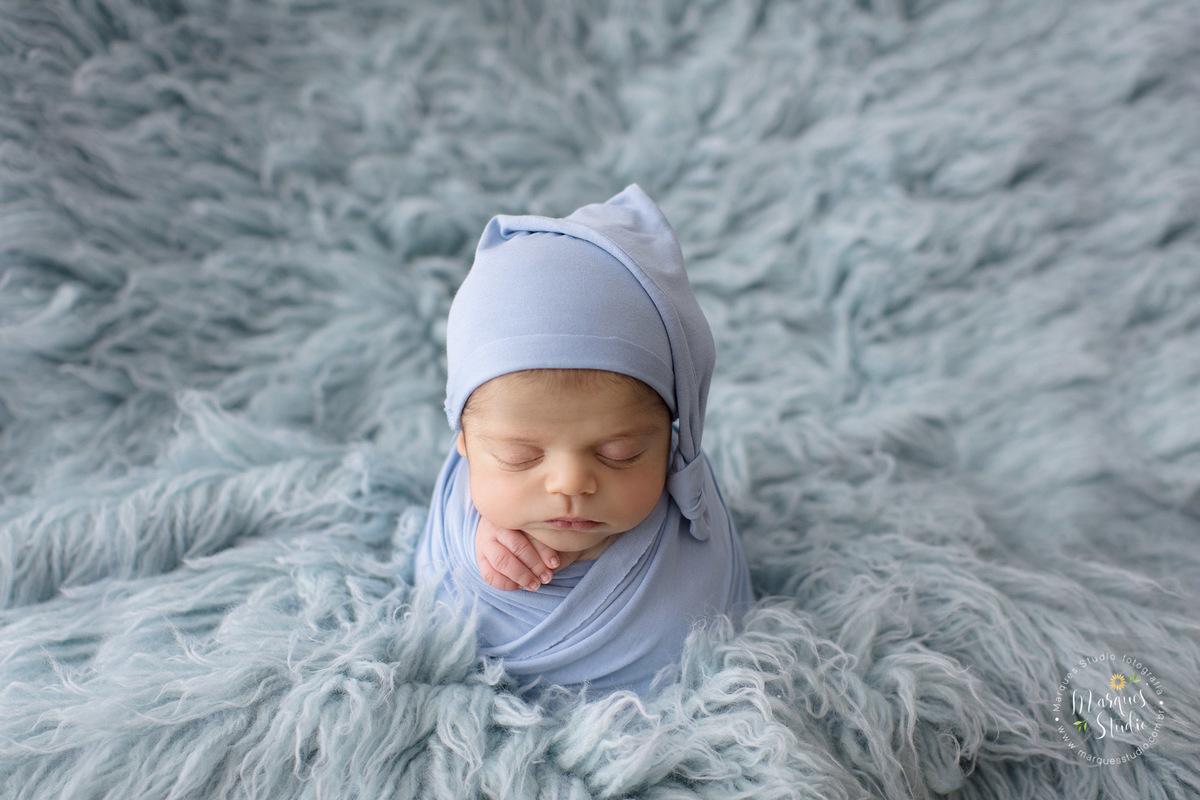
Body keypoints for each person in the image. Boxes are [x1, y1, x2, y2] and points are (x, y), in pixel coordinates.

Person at [415, 185, 754, 696]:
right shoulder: (456, 522)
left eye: (620, 453)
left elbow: (713, 639)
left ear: (672, 438)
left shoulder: (693, 542)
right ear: (462, 440)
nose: (570, 483)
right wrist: (475, 541)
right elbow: (435, 602)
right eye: (518, 456)